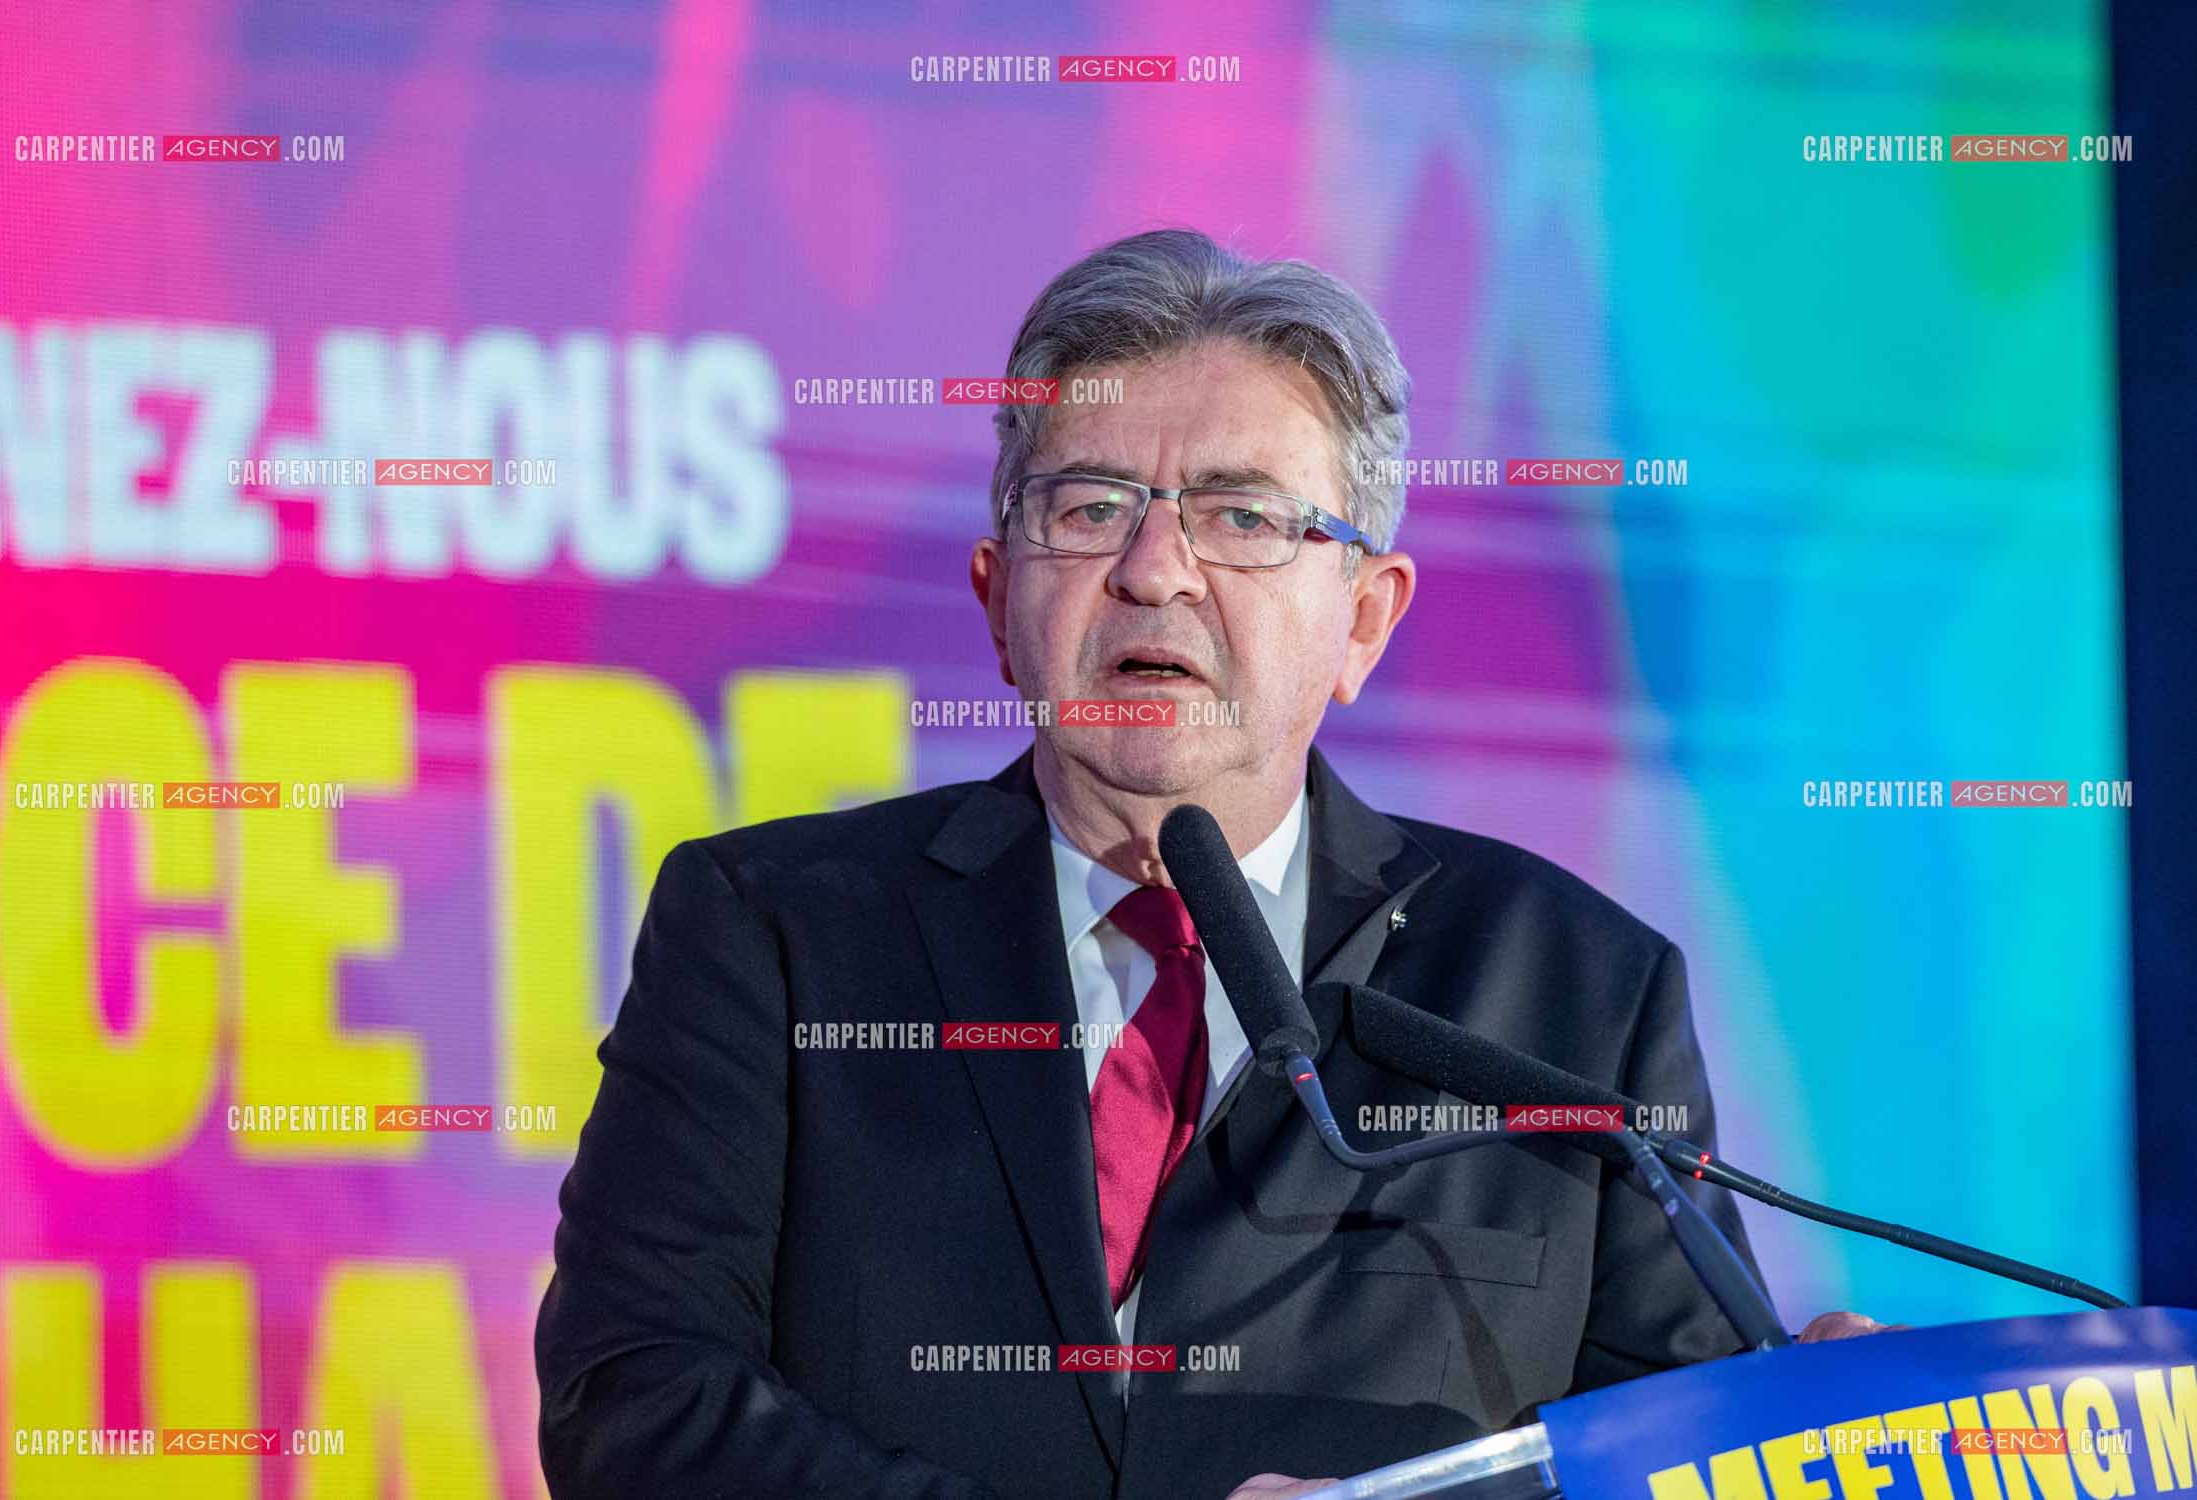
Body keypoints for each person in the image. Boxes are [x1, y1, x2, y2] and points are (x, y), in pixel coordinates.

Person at [536, 228, 1882, 1500]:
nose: (1155, 568)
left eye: (1242, 516)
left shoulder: (1575, 994)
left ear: (1363, 618)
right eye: (1091, 505)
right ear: (997, 597)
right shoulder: (771, 932)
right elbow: (637, 1402)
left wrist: (1780, 1446)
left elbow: (1649, 1450)